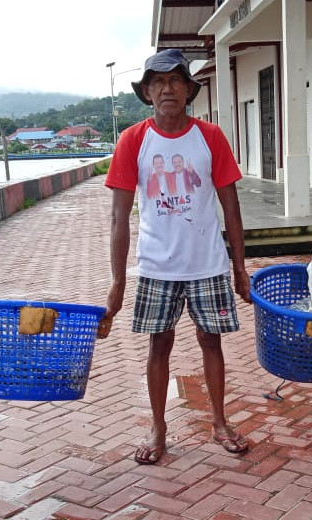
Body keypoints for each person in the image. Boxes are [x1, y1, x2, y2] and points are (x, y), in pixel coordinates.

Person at [102, 49, 252, 465]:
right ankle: (158, 426)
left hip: (207, 263)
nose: (167, 88)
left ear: (188, 89)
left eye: (175, 80)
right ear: (148, 92)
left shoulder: (211, 137)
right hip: (157, 266)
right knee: (158, 345)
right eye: (157, 81)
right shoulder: (133, 140)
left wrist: (240, 268)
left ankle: (220, 421)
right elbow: (118, 217)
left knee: (212, 342)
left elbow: (231, 207)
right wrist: (118, 282)